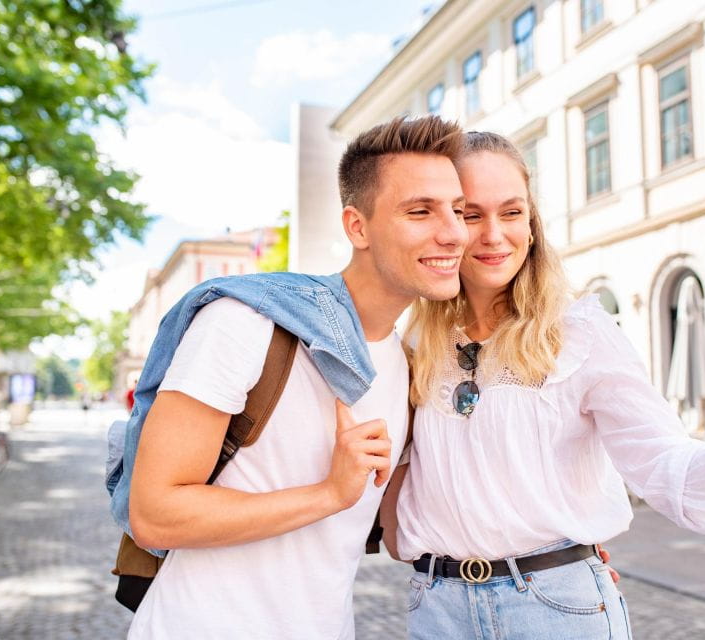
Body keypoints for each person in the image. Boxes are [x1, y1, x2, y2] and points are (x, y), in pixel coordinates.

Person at [379, 131, 705, 639]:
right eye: (472, 215)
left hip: (552, 609)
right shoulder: (414, 347)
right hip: (435, 606)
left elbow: (671, 465)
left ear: (533, 227)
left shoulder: (579, 333)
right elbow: (393, 510)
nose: (495, 234)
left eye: (513, 212)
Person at [122, 116, 468, 639]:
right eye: (420, 211)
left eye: (458, 211)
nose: (453, 232)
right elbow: (155, 512)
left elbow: (403, 532)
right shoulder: (247, 323)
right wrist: (329, 492)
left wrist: (560, 551)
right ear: (357, 227)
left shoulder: (404, 363)